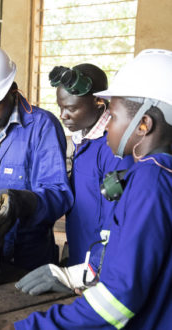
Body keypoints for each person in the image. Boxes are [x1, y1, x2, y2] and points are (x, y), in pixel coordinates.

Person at [13, 49, 172, 329]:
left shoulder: (151, 182)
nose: (106, 124)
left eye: (112, 115)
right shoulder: (150, 172)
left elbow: (118, 298)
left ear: (144, 125)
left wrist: (28, 327)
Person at [0, 44, 73, 271]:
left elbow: (59, 195)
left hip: (28, 254)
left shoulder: (42, 126)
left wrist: (24, 202)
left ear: (13, 90)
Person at [50, 63, 133, 266]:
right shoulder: (82, 138)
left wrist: (96, 264)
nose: (63, 115)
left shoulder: (113, 149)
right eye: (60, 107)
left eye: (71, 108)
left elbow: (114, 214)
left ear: (98, 101)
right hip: (80, 250)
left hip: (99, 260)